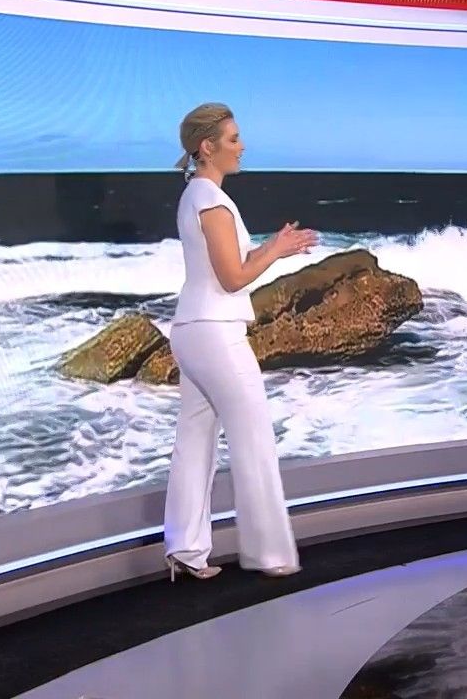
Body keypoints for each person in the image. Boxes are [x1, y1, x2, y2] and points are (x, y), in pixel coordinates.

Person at [162, 102, 318, 581]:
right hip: (215, 333)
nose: (242, 146)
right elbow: (232, 278)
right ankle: (271, 553)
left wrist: (271, 247)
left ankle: (185, 549)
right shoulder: (210, 199)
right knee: (254, 440)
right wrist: (276, 251)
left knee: (195, 441)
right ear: (207, 147)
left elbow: (222, 270)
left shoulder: (195, 195)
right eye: (233, 139)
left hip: (192, 330)